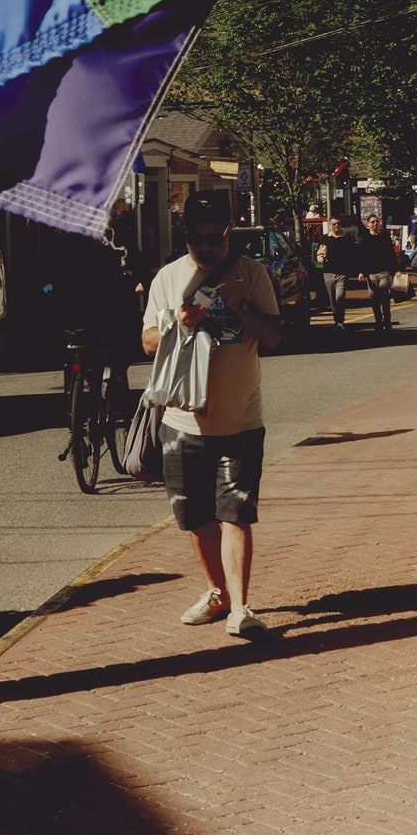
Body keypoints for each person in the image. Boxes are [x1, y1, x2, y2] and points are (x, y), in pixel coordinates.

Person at [142, 186, 280, 639]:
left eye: (215, 239)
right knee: (197, 518)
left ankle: (241, 607)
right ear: (185, 233)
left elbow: (275, 338)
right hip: (182, 421)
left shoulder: (252, 273)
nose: (206, 248)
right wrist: (174, 323)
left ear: (229, 234)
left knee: (236, 513)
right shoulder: (168, 278)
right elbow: (145, 342)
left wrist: (240, 305)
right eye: (197, 239)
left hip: (240, 418)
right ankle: (216, 592)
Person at [358, 216, 402, 335]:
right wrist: (361, 272)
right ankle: (378, 320)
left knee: (383, 294)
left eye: (377, 222)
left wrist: (396, 269)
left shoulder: (384, 236)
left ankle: (387, 320)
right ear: (368, 224)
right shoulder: (365, 238)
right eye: (372, 222)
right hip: (371, 273)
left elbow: (391, 253)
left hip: (384, 271)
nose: (375, 224)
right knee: (374, 298)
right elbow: (362, 256)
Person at [319, 216, 361, 328]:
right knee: (333, 300)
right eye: (334, 224)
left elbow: (354, 255)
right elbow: (319, 253)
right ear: (330, 226)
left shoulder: (347, 238)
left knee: (340, 297)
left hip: (342, 273)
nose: (337, 226)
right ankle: (336, 320)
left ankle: (340, 321)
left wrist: (358, 271)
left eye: (338, 224)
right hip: (328, 272)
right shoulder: (325, 238)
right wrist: (320, 258)